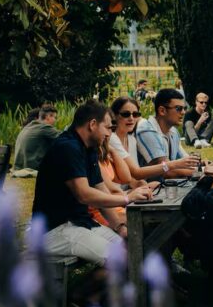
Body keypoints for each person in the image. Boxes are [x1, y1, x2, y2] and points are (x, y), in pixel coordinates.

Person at [32, 100, 154, 265]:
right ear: (93, 124)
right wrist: (127, 198)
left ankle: (84, 291)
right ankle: (80, 292)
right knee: (123, 260)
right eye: (108, 128)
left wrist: (120, 227)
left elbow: (101, 191)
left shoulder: (89, 148)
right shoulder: (68, 147)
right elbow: (84, 195)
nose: (110, 134)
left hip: (80, 224)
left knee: (134, 250)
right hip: (55, 230)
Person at [110, 96, 197, 185]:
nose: (131, 118)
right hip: (114, 194)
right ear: (114, 115)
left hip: (127, 192)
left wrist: (144, 186)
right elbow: (137, 173)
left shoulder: (131, 139)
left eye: (135, 114)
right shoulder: (112, 138)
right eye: (126, 114)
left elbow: (133, 176)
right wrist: (174, 164)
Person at [135, 89, 201, 179]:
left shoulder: (173, 131)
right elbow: (166, 171)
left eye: (184, 108)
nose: (183, 112)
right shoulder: (147, 130)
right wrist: (203, 172)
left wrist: (206, 165)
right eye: (178, 108)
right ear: (162, 110)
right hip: (150, 189)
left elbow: (185, 162)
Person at [13, 103, 61, 173]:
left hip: (19, 167)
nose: (55, 120)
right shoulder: (44, 128)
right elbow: (66, 137)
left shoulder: (29, 126)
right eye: (54, 117)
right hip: (32, 168)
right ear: (48, 116)